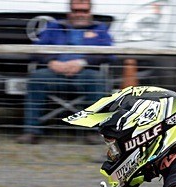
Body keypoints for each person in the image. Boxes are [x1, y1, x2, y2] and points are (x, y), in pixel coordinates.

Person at [17, 0, 113, 144]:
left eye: (84, 11)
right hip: (54, 72)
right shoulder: (53, 27)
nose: (80, 14)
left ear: (90, 12)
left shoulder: (100, 29)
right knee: (37, 77)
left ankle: (93, 132)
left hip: (85, 73)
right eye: (76, 10)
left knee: (98, 79)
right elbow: (35, 50)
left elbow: (109, 54)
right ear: (69, 12)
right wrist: (52, 62)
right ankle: (31, 131)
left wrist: (82, 63)